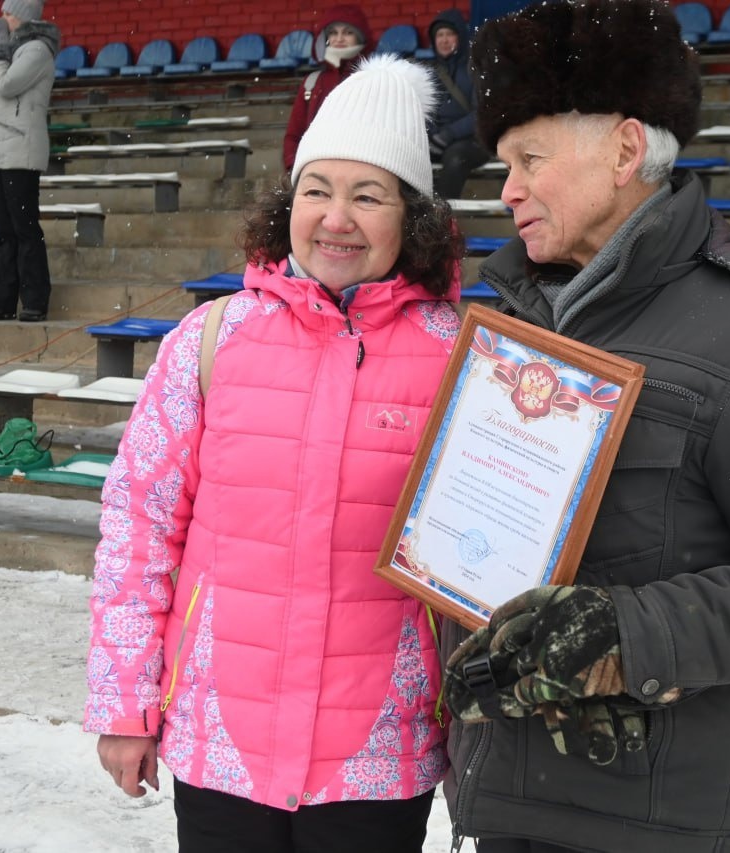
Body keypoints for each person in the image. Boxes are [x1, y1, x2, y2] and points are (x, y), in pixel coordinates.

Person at [436, 2, 730, 851]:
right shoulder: (517, 328)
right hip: (500, 798)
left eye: (527, 160)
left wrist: (625, 635)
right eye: (503, 164)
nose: (504, 190)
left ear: (622, 150)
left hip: (645, 824)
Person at [85, 55, 465, 853]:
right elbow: (138, 529)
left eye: (369, 195)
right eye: (318, 190)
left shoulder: (460, 357)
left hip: (377, 755)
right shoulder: (210, 339)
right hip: (223, 741)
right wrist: (125, 703)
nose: (337, 218)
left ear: (412, 218)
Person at [0, 0, 58, 322]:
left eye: (9, 13)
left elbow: (6, 86)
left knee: (25, 228)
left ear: (24, 17)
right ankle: (2, 300)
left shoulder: (37, 50)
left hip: (21, 150)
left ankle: (35, 299)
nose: (2, 18)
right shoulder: (7, 51)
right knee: (3, 230)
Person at [282, 5, 372, 173]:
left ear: (360, 37)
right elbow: (293, 135)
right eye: (333, 32)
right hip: (315, 172)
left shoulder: (373, 79)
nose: (339, 38)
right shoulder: (312, 82)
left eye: (348, 32)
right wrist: (294, 167)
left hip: (357, 171)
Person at [425, 8, 490, 199]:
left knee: (455, 158)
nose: (444, 40)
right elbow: (420, 110)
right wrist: (430, 136)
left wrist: (448, 134)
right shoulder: (427, 72)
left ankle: (441, 215)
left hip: (472, 142)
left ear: (460, 37)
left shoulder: (476, 68)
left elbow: (482, 113)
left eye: (450, 34)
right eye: (440, 35)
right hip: (435, 141)